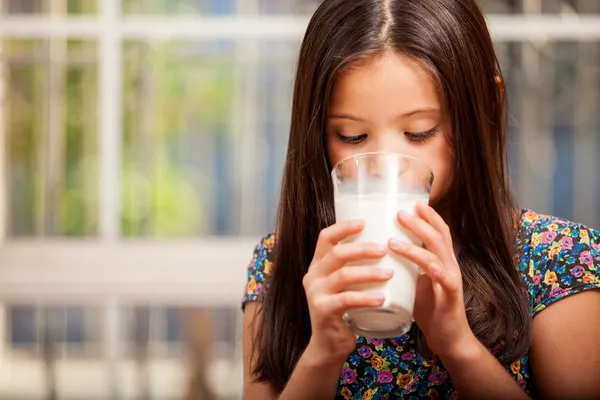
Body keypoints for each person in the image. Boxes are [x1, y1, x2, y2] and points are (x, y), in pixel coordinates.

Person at [241, 0, 600, 399]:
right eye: (351, 137)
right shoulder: (282, 267)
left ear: (485, 106)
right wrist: (321, 355)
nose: (384, 167)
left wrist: (458, 346)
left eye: (419, 131)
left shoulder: (560, 262)